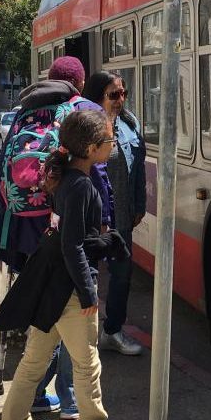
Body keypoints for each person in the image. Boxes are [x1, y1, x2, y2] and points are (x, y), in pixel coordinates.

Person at [0, 109, 129, 420]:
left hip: (52, 285)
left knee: (35, 359)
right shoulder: (81, 185)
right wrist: (88, 293)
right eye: (109, 141)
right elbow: (73, 245)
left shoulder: (66, 178)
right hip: (70, 291)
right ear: (93, 148)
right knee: (87, 363)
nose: (113, 145)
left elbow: (69, 235)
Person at [0, 56, 112, 420]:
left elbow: (0, 180)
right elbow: (96, 173)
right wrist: (102, 223)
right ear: (80, 81)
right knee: (74, 309)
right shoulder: (82, 110)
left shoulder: (24, 112)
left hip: (24, 228)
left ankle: (37, 395)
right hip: (65, 228)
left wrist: (17, 214)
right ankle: (69, 398)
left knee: (42, 309)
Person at [83, 71, 146, 356]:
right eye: (113, 94)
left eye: (123, 93)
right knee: (85, 277)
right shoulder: (85, 126)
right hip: (90, 221)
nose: (120, 100)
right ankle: (79, 338)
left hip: (121, 218)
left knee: (122, 276)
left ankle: (112, 331)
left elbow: (139, 169)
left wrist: (139, 205)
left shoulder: (130, 124)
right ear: (98, 96)